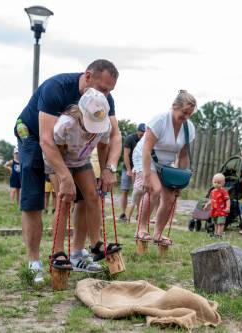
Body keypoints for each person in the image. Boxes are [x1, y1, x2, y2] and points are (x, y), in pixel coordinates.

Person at [15, 59, 121, 283]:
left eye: (110, 90)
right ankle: (35, 261)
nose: (107, 94)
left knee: (86, 195)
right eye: (103, 88)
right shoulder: (57, 88)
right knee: (37, 194)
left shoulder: (103, 101)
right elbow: (46, 140)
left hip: (73, 150)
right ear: (88, 75)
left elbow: (111, 137)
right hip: (34, 134)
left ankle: (79, 253)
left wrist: (107, 170)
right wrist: (64, 177)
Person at [49, 88, 113, 273]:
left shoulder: (105, 124)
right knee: (65, 200)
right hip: (59, 162)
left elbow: (103, 148)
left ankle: (96, 243)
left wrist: (104, 172)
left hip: (82, 161)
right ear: (81, 112)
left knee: (93, 196)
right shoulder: (66, 124)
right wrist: (65, 178)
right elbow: (58, 153)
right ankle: (58, 251)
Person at [133, 90, 197, 246]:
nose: (186, 117)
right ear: (174, 106)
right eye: (184, 112)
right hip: (146, 157)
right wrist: (147, 176)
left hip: (165, 164)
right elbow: (147, 150)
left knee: (170, 197)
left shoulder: (188, 128)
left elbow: (182, 156)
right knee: (154, 189)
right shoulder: (160, 120)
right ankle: (141, 228)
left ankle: (158, 234)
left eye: (190, 114)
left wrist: (179, 181)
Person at [119, 123, 146, 222]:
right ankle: (123, 214)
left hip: (139, 169)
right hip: (128, 167)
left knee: (140, 192)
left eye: (144, 133)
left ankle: (139, 214)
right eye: (141, 132)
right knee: (125, 190)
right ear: (138, 131)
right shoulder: (130, 139)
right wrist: (129, 170)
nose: (143, 134)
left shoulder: (146, 140)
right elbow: (126, 155)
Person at [203, 173, 230, 238]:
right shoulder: (213, 191)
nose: (216, 184)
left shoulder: (224, 191)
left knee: (220, 223)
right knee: (215, 223)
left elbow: (227, 199)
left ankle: (219, 234)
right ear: (212, 182)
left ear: (223, 183)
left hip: (221, 211)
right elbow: (212, 199)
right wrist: (207, 204)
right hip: (214, 211)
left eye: (219, 183)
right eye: (215, 182)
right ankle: (215, 233)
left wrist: (228, 207)